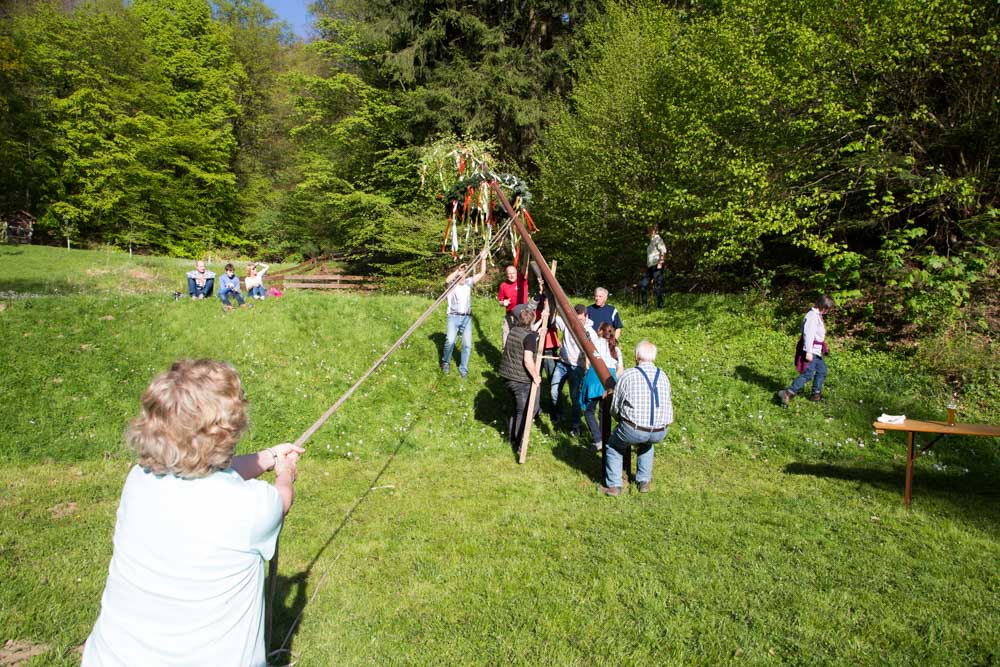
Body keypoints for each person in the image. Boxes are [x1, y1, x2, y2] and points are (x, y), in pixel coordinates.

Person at [83, 359, 304, 666]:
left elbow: (209, 471)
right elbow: (282, 499)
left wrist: (269, 456)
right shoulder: (250, 507)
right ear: (225, 432)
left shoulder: (140, 479)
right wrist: (285, 471)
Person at [600, 340, 673, 496]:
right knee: (647, 444)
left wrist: (617, 417)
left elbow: (616, 405)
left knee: (613, 446)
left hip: (634, 428)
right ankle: (644, 481)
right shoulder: (663, 375)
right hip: (661, 430)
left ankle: (614, 485)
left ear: (636, 356)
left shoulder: (629, 375)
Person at [499, 302, 546, 450]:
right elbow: (527, 359)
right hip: (519, 380)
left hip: (507, 377)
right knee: (525, 411)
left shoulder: (514, 331)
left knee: (517, 409)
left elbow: (530, 335)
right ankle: (520, 444)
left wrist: (539, 327)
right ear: (531, 321)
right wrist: (536, 376)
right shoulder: (529, 338)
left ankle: (512, 439)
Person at [777, 295, 836, 406]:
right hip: (811, 350)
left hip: (816, 351)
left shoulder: (818, 315)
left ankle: (816, 394)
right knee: (808, 374)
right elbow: (808, 335)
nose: (828, 311)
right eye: (828, 308)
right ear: (824, 306)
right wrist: (808, 351)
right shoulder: (812, 316)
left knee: (822, 370)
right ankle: (788, 393)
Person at [550, 304, 598, 435]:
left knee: (574, 397)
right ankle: (559, 414)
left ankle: (575, 426)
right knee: (554, 391)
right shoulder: (567, 323)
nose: (578, 322)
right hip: (562, 363)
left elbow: (594, 351)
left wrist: (587, 366)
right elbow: (553, 316)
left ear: (586, 316)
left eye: (581, 320)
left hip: (577, 367)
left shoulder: (590, 332)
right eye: (576, 319)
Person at [441, 255, 488, 379]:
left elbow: (482, 273)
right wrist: (457, 271)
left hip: (466, 318)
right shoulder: (452, 285)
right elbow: (447, 280)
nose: (462, 277)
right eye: (460, 275)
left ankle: (463, 369)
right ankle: (445, 362)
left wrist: (483, 259)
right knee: (450, 341)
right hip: (453, 317)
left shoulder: (468, 283)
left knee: (467, 345)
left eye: (464, 274)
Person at [580, 322, 624, 451]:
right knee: (603, 412)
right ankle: (604, 440)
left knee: (589, 411)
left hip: (595, 377)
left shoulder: (594, 343)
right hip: (610, 380)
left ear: (600, 331)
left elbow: (587, 363)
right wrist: (611, 380)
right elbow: (620, 369)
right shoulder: (615, 348)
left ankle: (598, 439)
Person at [497, 264, 529, 347]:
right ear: (506, 274)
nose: (511, 276)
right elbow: (500, 300)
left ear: (516, 273)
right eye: (509, 274)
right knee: (506, 332)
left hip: (522, 314)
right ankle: (505, 352)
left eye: (513, 273)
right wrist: (503, 302)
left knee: (520, 336)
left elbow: (525, 267)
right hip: (510, 314)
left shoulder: (522, 281)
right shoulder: (503, 285)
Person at [637, 225, 666, 308]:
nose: (650, 231)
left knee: (658, 286)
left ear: (655, 230)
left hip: (657, 266)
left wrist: (660, 262)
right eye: (649, 230)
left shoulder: (657, 238)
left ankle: (660, 305)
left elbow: (663, 251)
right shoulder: (651, 240)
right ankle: (645, 305)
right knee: (643, 284)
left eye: (651, 230)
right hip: (650, 267)